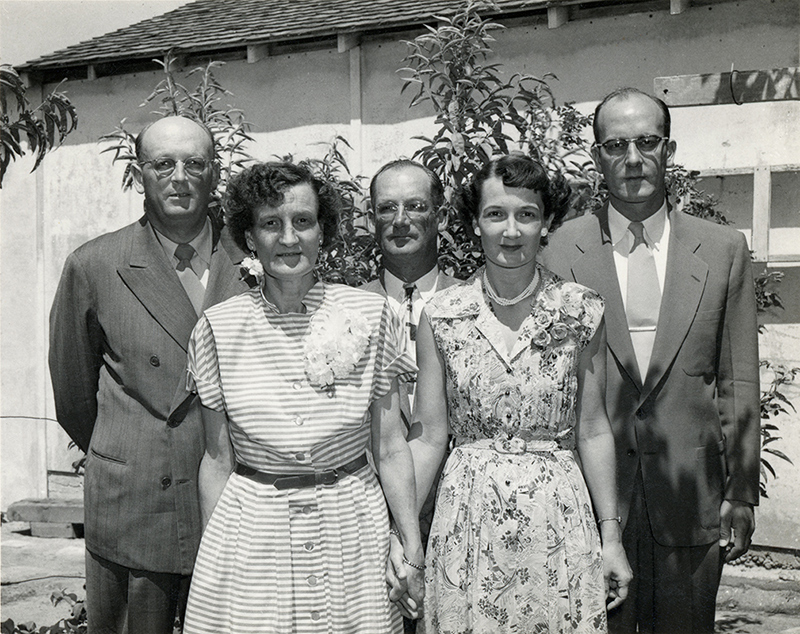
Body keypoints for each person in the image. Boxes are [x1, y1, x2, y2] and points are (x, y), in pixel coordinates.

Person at [543, 88, 761, 633]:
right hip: (593, 503)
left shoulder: (722, 249)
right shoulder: (560, 250)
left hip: (692, 497)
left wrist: (740, 490)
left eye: (647, 142)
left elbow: (737, 378)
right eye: (616, 145)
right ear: (596, 157)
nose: (633, 158)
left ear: (670, 150)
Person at [181, 161, 424, 634]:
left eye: (303, 221)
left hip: (352, 527)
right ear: (250, 237)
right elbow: (216, 458)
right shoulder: (218, 328)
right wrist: (217, 559)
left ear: (322, 232)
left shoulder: (373, 314)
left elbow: (390, 446)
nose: (289, 238)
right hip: (254, 534)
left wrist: (410, 545)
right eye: (271, 223)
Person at [399, 154, 632, 633]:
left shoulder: (581, 310)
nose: (511, 231)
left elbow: (592, 430)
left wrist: (611, 537)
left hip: (557, 519)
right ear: (474, 223)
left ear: (546, 222)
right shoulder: (442, 314)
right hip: (467, 521)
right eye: (495, 214)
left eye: (526, 214)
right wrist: (401, 537)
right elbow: (429, 437)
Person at [49, 116, 249, 633]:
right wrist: (129, 451)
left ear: (214, 173)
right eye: (163, 164)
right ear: (141, 175)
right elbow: (73, 394)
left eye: (194, 163)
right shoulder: (95, 265)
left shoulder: (254, 259)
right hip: (135, 502)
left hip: (237, 498)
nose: (179, 177)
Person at [363, 159, 460, 419]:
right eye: (387, 208)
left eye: (415, 206)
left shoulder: (477, 306)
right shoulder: (345, 310)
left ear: (441, 217)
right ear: (371, 221)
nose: (400, 220)